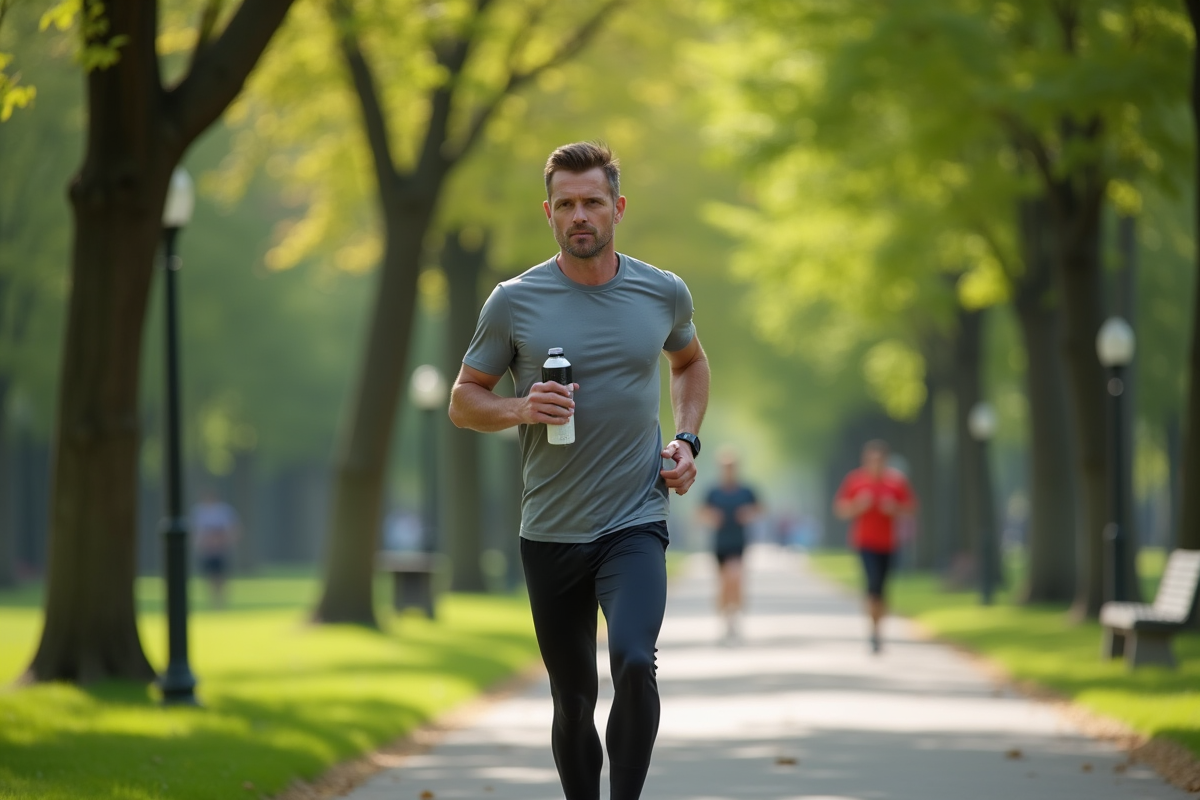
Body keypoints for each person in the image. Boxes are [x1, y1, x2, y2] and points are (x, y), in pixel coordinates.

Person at [448, 141, 709, 800]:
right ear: (549, 213)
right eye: (565, 204)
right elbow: (462, 400)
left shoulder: (661, 292)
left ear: (617, 207)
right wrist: (519, 406)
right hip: (551, 529)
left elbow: (690, 364)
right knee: (572, 697)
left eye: (592, 201)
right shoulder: (514, 301)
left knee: (632, 662)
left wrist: (686, 441)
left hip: (635, 520)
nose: (579, 215)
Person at [833, 440, 915, 653]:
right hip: (865, 543)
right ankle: (873, 632)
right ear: (866, 460)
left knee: (882, 589)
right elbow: (841, 509)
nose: (876, 464)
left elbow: (911, 509)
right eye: (872, 460)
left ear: (885, 461)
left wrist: (894, 508)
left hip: (888, 544)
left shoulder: (896, 482)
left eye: (880, 460)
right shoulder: (855, 481)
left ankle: (879, 630)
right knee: (872, 585)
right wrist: (858, 505)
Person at [700, 448, 761, 645]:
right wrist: (711, 518)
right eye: (725, 467)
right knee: (724, 582)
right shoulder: (713, 492)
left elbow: (760, 509)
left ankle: (735, 617)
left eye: (731, 466)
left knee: (735, 577)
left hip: (738, 541)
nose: (728, 470)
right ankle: (726, 619)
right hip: (720, 543)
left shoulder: (746, 491)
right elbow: (700, 513)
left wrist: (748, 513)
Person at [191, 489, 240, 608]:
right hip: (207, 550)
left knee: (221, 575)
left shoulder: (224, 511)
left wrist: (226, 542)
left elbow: (233, 529)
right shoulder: (199, 511)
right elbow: (195, 531)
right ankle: (213, 600)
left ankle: (221, 600)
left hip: (221, 549)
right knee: (210, 575)